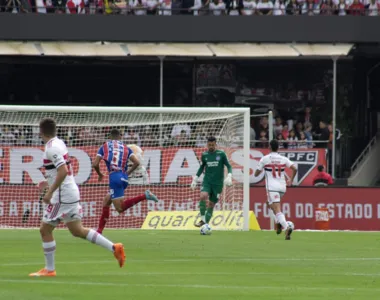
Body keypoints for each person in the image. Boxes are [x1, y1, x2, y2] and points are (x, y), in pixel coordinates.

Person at [30, 118, 126, 277]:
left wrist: (49, 192)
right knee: (77, 230)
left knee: (45, 229)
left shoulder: (51, 149)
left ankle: (49, 269)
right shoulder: (59, 143)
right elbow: (60, 171)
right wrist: (47, 183)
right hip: (70, 191)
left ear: (40, 131)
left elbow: (63, 171)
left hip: (62, 196)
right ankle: (114, 247)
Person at [93, 129, 158, 235]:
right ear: (120, 137)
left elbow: (95, 164)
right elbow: (137, 163)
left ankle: (145, 195)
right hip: (123, 177)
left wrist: (100, 175)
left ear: (110, 137)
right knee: (106, 201)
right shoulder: (126, 148)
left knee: (119, 208)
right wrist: (126, 174)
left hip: (114, 177)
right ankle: (99, 232)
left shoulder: (104, 146)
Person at [254, 140, 297, 240]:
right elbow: (295, 168)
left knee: (277, 208)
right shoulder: (283, 159)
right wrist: (291, 179)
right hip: (282, 187)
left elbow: (256, 173)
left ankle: (286, 227)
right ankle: (278, 223)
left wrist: (258, 171)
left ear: (269, 147)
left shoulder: (265, 159)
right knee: (269, 204)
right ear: (278, 148)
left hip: (272, 188)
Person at [191, 136, 233, 227]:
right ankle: (202, 218)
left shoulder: (221, 154)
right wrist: (196, 178)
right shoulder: (204, 155)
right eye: (209, 145)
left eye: (212, 145)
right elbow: (202, 167)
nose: (211, 146)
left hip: (218, 184)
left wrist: (229, 175)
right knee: (203, 196)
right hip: (207, 181)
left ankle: (205, 223)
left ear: (215, 144)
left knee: (211, 204)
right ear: (207, 145)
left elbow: (229, 166)